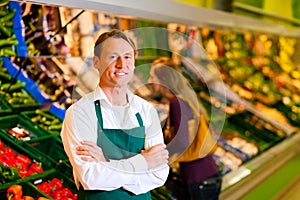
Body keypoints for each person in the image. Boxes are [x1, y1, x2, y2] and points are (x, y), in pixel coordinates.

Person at [60, 30, 169, 200]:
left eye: (127, 57)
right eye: (113, 57)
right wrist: (143, 162)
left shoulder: (147, 111)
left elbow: (159, 174)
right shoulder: (79, 113)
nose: (121, 64)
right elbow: (91, 177)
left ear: (133, 63)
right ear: (96, 62)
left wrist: (106, 163)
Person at [148, 58, 222, 200]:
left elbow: (182, 142)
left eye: (152, 77)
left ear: (163, 80)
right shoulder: (183, 100)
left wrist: (158, 157)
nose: (149, 80)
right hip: (206, 176)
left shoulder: (177, 103)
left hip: (198, 178)